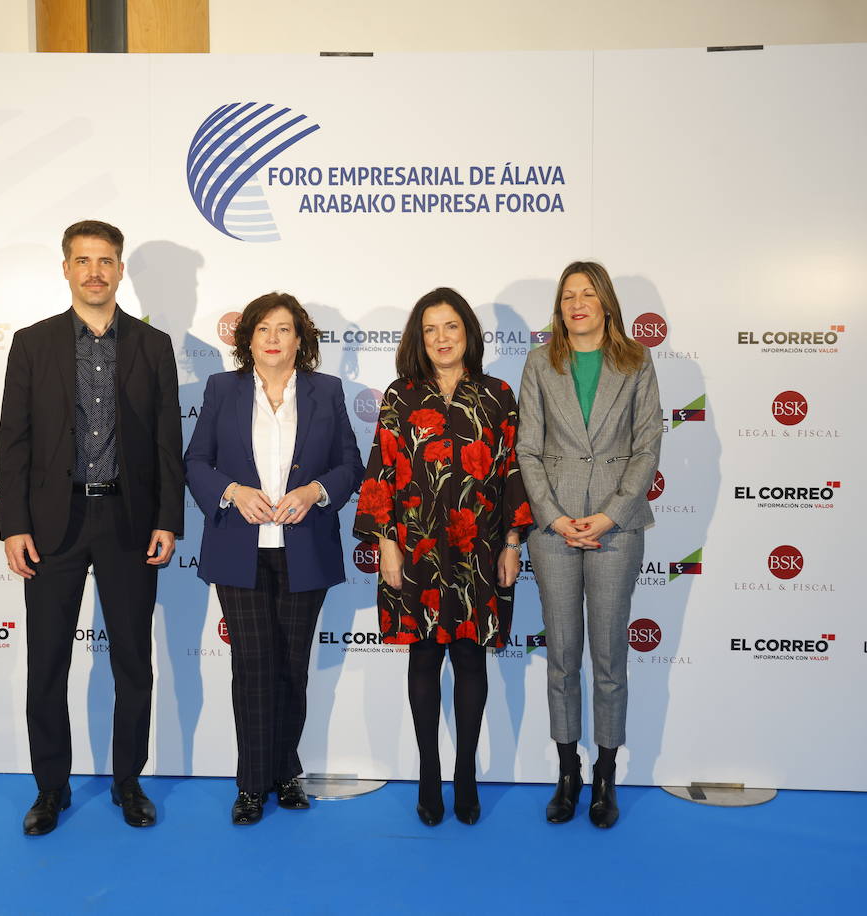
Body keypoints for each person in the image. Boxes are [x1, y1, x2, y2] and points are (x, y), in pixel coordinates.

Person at [0, 220, 184, 836]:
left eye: (106, 261)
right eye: (84, 261)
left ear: (121, 270)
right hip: (53, 525)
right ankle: (50, 789)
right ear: (67, 269)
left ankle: (128, 782)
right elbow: (14, 443)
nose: (95, 272)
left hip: (129, 522)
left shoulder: (153, 348)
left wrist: (167, 518)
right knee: (46, 662)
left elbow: (166, 443)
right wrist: (13, 524)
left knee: (133, 661)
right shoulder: (32, 344)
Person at [355, 287, 532, 826]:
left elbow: (511, 473)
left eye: (450, 327)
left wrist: (511, 543)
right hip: (416, 549)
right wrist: (385, 542)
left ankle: (466, 775)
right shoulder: (400, 396)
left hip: (478, 549)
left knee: (472, 658)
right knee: (425, 657)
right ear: (418, 338)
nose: (440, 338)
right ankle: (429, 774)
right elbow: (382, 469)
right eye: (429, 329)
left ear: (468, 333)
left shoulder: (498, 395)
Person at [185, 293, 364, 826]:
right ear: (248, 337)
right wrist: (232, 492)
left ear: (299, 339)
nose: (272, 337)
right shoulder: (222, 389)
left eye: (284, 329)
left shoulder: (326, 391)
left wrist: (314, 491)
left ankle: (285, 773)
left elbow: (350, 464)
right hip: (240, 552)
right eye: (264, 327)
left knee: (292, 668)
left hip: (303, 549)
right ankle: (250, 784)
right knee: (252, 668)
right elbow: (195, 461)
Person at [516, 260, 661, 829]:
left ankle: (605, 773)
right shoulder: (539, 362)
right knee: (561, 658)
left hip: (615, 531)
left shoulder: (636, 361)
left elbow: (647, 447)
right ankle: (567, 771)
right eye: (568, 295)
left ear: (605, 303)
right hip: (552, 533)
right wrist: (552, 517)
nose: (578, 303)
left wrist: (609, 515)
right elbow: (528, 448)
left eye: (588, 294)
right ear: (560, 306)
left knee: (607, 658)